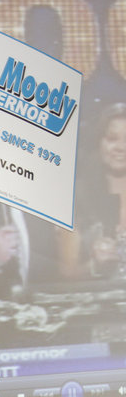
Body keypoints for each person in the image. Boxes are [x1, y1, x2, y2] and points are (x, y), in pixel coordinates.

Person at [58, 102, 126, 279]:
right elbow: (66, 274)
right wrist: (94, 266)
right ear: (99, 143)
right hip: (92, 302)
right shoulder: (76, 198)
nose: (121, 147)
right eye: (112, 138)